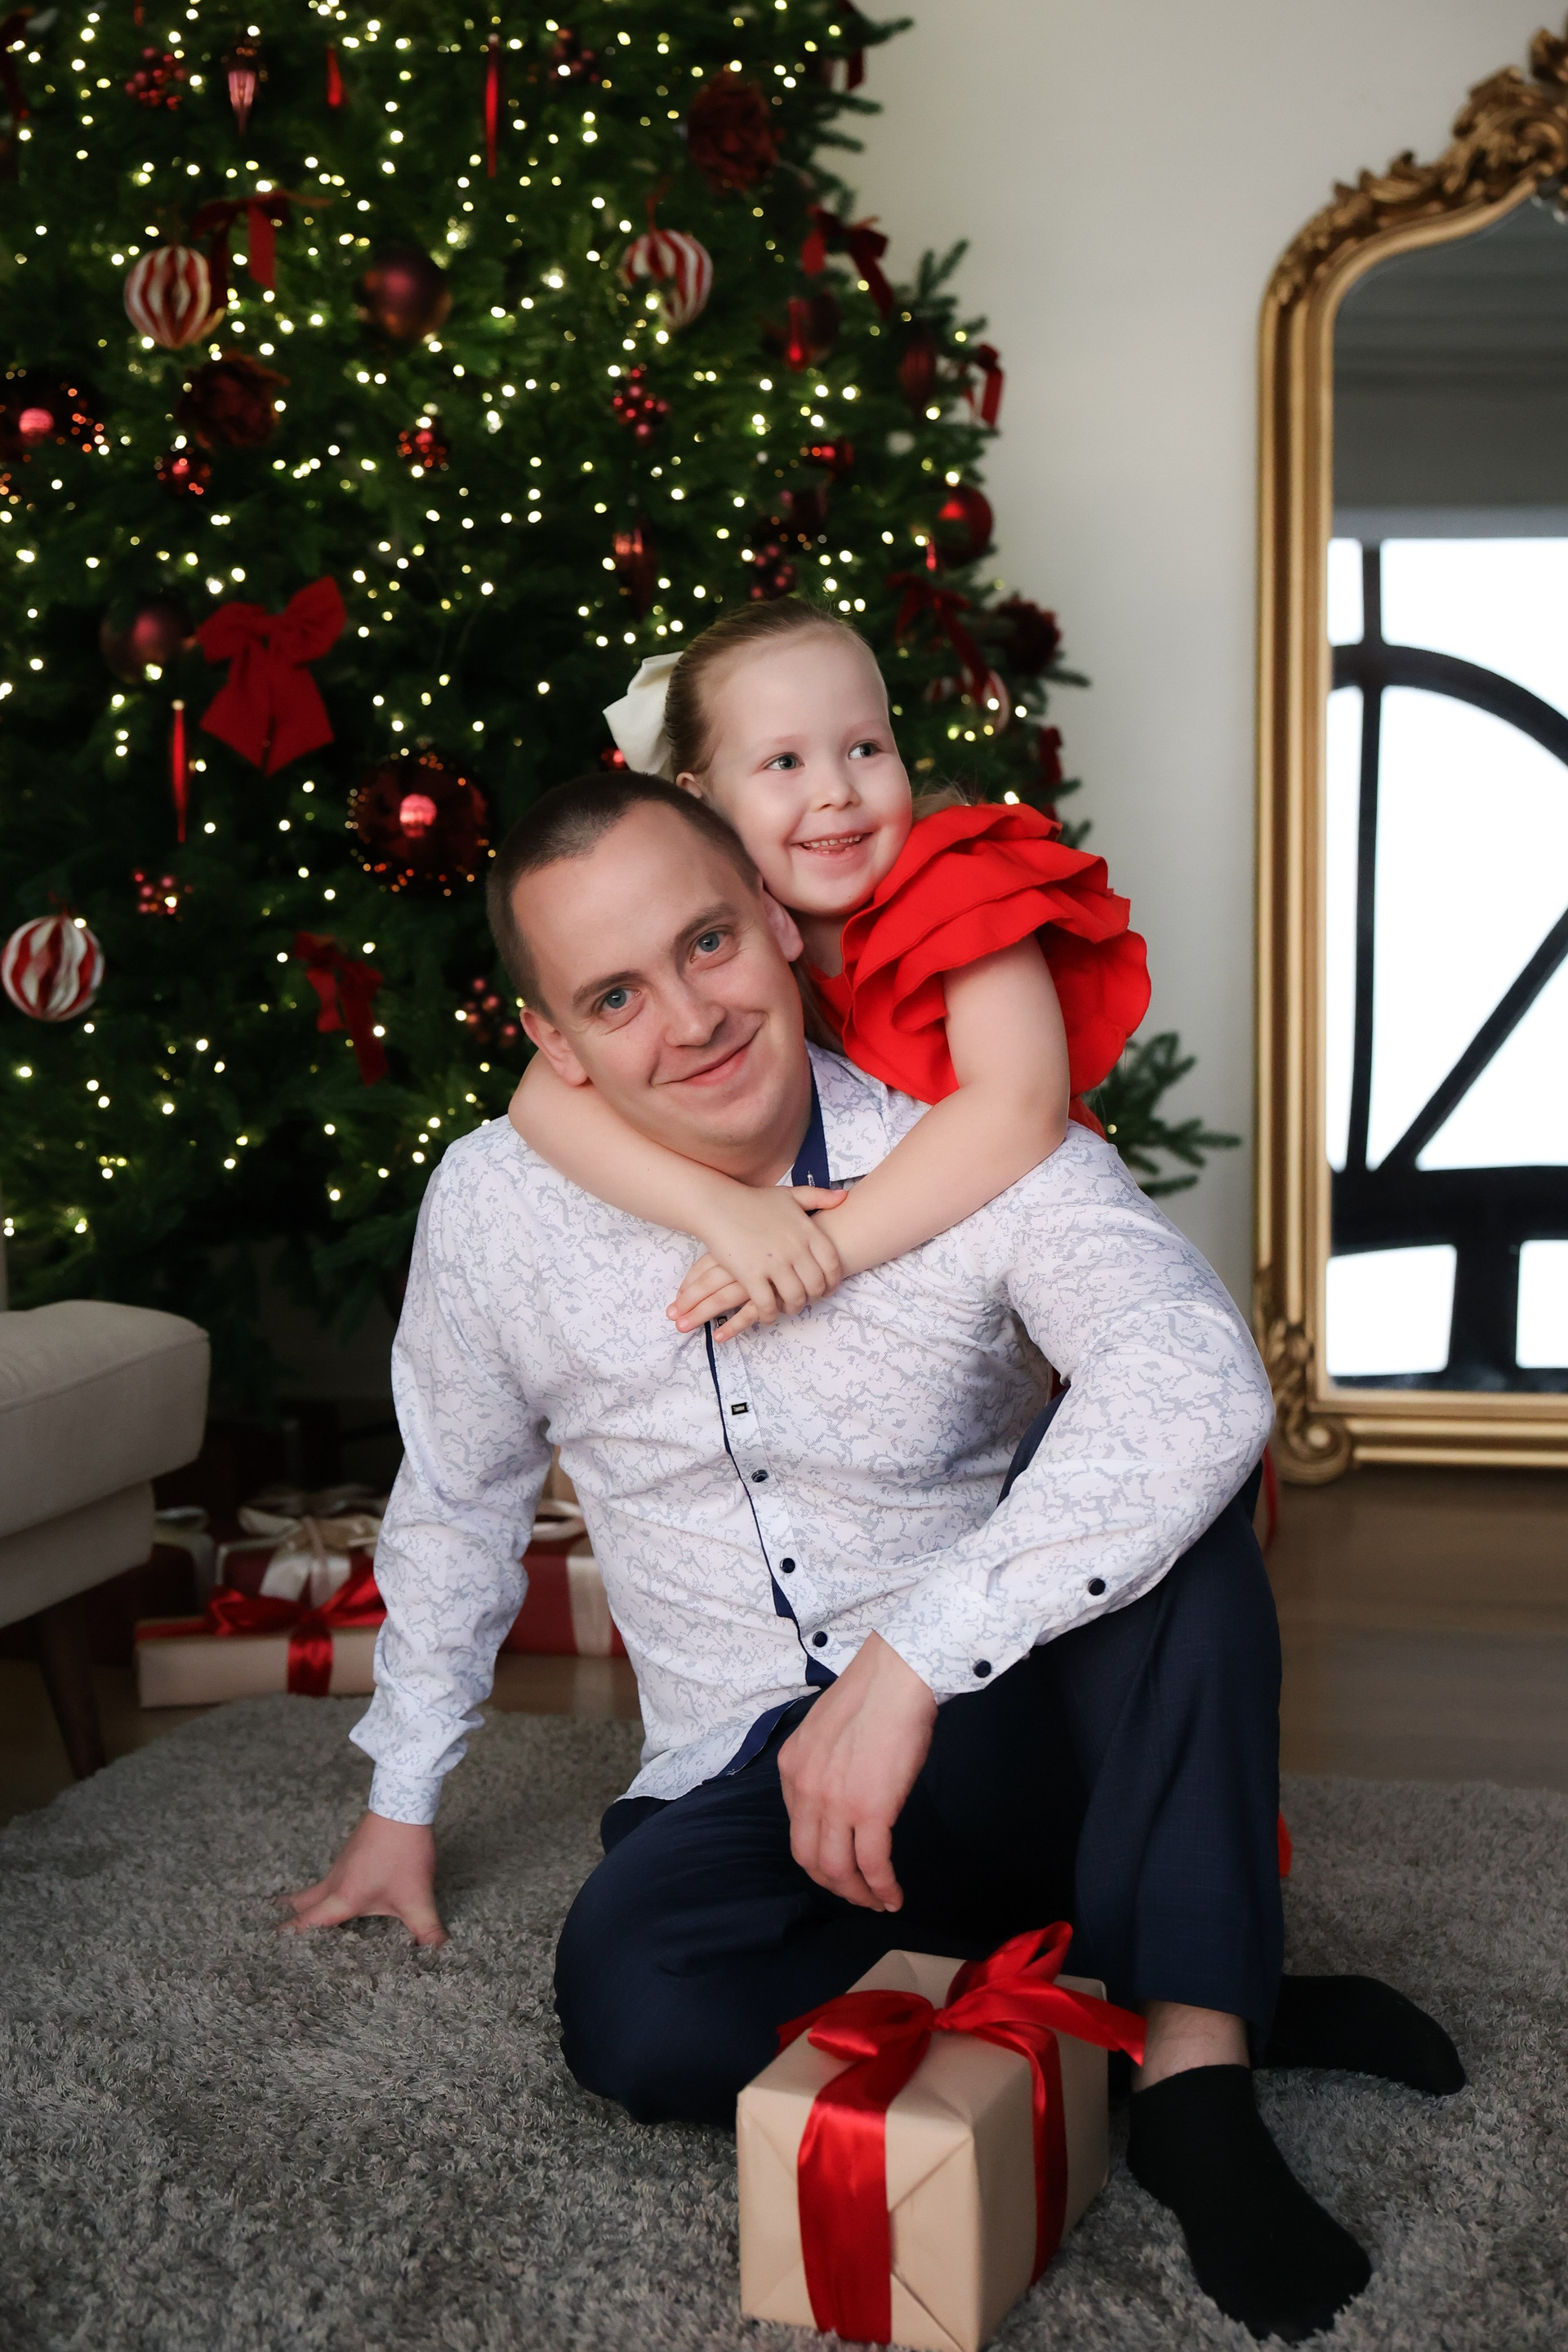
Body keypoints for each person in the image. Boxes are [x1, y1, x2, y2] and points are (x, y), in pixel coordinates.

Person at [286, 773, 1462, 2345]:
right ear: (553, 1043)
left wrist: (910, 1662)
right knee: (640, 2016)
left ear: (780, 925)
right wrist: (400, 1801)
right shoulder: (497, 1210)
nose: (690, 1020)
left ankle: (1196, 2072)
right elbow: (459, 1501)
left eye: (710, 943)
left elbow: (1196, 1376)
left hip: (1006, 1728)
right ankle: (1169, 1969)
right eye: (616, 997)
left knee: (1167, 1484)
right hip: (739, 1773)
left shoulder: (967, 1138)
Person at [508, 598, 1149, 1343]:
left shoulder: (957, 883)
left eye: (866, 749)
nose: (837, 791)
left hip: (1050, 1255)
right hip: (928, 1274)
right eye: (785, 762)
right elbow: (541, 1099)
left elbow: (1019, 1107)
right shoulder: (726, 937)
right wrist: (722, 1211)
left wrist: (816, 1251)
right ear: (700, 803)